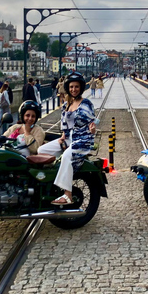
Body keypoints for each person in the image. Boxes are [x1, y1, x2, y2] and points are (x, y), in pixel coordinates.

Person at [37, 72, 98, 205]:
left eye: (76, 87)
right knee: (41, 150)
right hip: (68, 139)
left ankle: (67, 194)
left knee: (66, 156)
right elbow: (64, 123)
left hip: (82, 140)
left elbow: (92, 123)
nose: (73, 89)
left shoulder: (86, 104)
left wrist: (92, 130)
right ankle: (49, 181)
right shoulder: (67, 104)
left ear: (81, 88)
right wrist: (63, 136)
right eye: (71, 87)